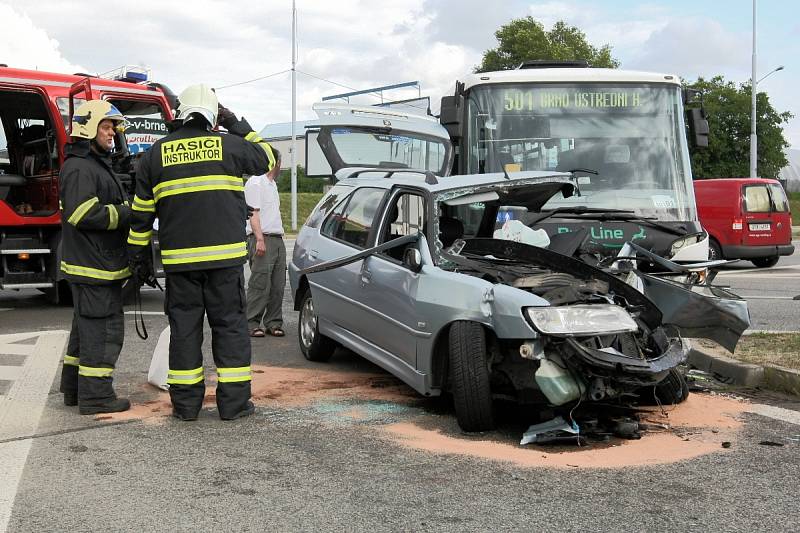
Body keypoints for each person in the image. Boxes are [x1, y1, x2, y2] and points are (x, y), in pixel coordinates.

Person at [127, 84, 277, 421]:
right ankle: (234, 405)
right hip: (224, 264)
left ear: (179, 112)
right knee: (230, 329)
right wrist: (236, 122)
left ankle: (186, 407)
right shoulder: (230, 146)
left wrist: (138, 258)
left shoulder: (155, 155)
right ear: (213, 114)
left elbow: (141, 215)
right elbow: (269, 156)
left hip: (180, 265)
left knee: (184, 332)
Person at [59, 100, 132, 415]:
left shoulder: (91, 164)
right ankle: (97, 396)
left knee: (84, 332)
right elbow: (82, 213)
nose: (112, 133)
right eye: (106, 127)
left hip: (94, 264)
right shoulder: (80, 167)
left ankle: (74, 390)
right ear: (88, 128)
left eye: (114, 128)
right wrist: (126, 213)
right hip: (94, 267)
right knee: (103, 332)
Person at [245, 151, 287, 338]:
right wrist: (259, 239)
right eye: (280, 161)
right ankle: (252, 322)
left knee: (278, 285)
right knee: (260, 284)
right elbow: (253, 213)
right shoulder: (256, 182)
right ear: (275, 162)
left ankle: (273, 322)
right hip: (263, 238)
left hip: (277, 239)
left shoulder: (272, 185)